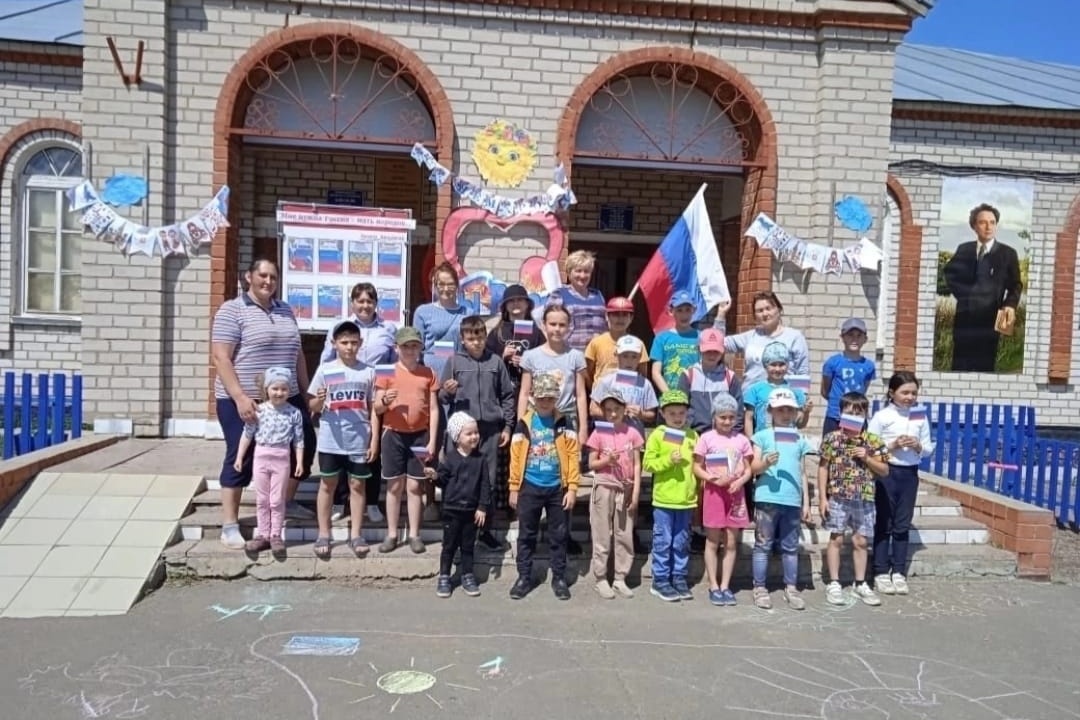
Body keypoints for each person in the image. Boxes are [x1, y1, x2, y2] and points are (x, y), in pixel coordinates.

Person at [211, 257, 316, 550]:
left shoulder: (285, 310)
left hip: (287, 397)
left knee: (305, 445)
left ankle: (284, 501)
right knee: (241, 454)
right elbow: (221, 357)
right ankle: (230, 524)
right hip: (245, 399)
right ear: (249, 277)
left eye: (273, 277)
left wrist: (305, 392)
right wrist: (240, 397)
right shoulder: (232, 310)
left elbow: (297, 354)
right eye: (263, 275)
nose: (268, 281)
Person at [321, 282, 397, 524]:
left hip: (375, 393)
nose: (365, 305)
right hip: (345, 393)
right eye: (360, 301)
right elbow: (326, 361)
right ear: (352, 303)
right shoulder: (340, 327)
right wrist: (324, 393)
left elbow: (393, 363)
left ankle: (372, 502)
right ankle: (339, 501)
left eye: (369, 301)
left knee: (371, 449)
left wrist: (389, 392)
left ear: (376, 304)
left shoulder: (388, 329)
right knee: (343, 448)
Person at [439, 315, 516, 550]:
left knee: (487, 480)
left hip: (490, 430)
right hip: (463, 431)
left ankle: (484, 530)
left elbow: (507, 396)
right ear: (462, 339)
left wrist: (507, 426)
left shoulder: (496, 362)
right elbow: (442, 397)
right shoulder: (454, 362)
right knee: (459, 479)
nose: (476, 342)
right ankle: (454, 527)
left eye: (480, 337)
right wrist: (448, 391)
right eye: (471, 338)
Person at [518, 304, 588, 556]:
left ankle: (563, 533)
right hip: (537, 422)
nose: (557, 329)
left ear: (569, 327)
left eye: (562, 324)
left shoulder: (575, 357)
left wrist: (583, 429)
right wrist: (521, 427)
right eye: (552, 324)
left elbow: (581, 395)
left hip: (566, 422)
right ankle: (531, 531)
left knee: (566, 476)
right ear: (544, 326)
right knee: (537, 471)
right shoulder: (532, 356)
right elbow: (524, 392)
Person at [307, 320, 380, 560]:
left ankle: (356, 534)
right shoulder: (325, 369)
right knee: (327, 485)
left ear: (361, 343)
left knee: (357, 486)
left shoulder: (368, 371)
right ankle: (324, 534)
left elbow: (373, 408)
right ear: (334, 343)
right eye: (344, 342)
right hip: (330, 439)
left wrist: (374, 440)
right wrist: (319, 400)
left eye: (353, 342)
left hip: (359, 439)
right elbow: (313, 406)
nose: (349, 347)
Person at [508, 372, 581, 601]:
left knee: (559, 535)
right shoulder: (524, 423)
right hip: (530, 485)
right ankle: (524, 576)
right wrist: (514, 487)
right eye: (541, 398)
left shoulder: (565, 422)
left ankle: (559, 577)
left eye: (550, 398)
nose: (546, 402)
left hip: (557, 487)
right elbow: (515, 456)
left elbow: (572, 455)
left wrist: (572, 488)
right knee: (526, 534)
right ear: (533, 397)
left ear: (556, 398)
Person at [817, 392, 889, 606]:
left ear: (865, 415)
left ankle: (860, 583)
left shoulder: (873, 440)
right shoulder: (832, 438)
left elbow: (884, 470)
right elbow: (823, 468)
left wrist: (867, 457)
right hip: (838, 496)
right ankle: (834, 582)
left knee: (861, 541)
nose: (854, 418)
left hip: (864, 497)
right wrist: (823, 497)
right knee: (836, 539)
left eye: (859, 414)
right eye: (849, 413)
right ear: (841, 414)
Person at [373, 327, 439, 555]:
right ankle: (392, 534)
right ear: (396, 348)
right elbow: (377, 408)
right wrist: (385, 401)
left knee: (415, 486)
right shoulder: (386, 372)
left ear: (420, 348)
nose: (410, 350)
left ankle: (414, 534)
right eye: (405, 346)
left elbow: (434, 408)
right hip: (392, 434)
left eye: (414, 346)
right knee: (394, 486)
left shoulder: (428, 373)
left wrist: (432, 440)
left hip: (419, 435)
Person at [868, 371, 934, 596]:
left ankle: (898, 571)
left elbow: (928, 449)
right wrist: (893, 445)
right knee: (884, 522)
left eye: (913, 393)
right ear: (891, 393)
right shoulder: (882, 416)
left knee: (902, 524)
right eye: (905, 392)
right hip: (886, 473)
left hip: (909, 474)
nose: (909, 397)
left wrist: (917, 446)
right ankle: (880, 571)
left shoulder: (919, 416)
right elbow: (871, 448)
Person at [749, 388, 813, 611]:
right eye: (780, 410)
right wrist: (765, 463)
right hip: (767, 498)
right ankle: (759, 587)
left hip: (792, 500)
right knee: (763, 545)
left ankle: (791, 588)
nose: (785, 414)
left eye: (790, 410)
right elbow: (753, 468)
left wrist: (806, 503)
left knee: (790, 547)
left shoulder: (799, 438)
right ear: (770, 411)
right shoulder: (762, 436)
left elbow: (802, 472)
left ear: (796, 412)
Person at [414, 262, 469, 521]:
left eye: (450, 283)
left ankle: (451, 499)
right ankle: (428, 500)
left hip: (456, 383)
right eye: (441, 284)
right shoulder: (423, 311)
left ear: (457, 286)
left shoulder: (466, 311)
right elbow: (416, 347)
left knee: (455, 441)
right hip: (430, 381)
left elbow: (468, 347)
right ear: (434, 286)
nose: (446, 288)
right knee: (431, 442)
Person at [486, 284, 546, 516]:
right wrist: (502, 357)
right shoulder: (497, 332)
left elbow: (544, 360)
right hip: (502, 396)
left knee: (525, 447)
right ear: (505, 306)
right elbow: (487, 362)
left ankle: (525, 501)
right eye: (511, 301)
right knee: (504, 448)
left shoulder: (536, 332)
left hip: (528, 396)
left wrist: (528, 363)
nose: (516, 304)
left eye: (520, 300)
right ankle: (502, 503)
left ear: (528, 305)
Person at [234, 367, 305, 558]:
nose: (279, 393)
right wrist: (240, 457)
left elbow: (299, 439)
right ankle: (263, 535)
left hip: (281, 457)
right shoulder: (259, 411)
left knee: (277, 500)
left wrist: (299, 461)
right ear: (267, 389)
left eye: (284, 389)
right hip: (261, 456)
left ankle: (275, 535)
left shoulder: (294, 413)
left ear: (289, 390)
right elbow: (247, 434)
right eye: (275, 388)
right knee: (262, 499)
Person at [942, 203, 1023, 372]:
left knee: (984, 369)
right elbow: (949, 273)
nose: (988, 227)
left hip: (989, 322)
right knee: (959, 369)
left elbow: (1016, 285)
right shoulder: (964, 249)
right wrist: (964, 295)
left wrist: (1010, 305)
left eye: (992, 222)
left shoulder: (1008, 254)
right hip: (964, 322)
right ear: (974, 226)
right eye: (982, 222)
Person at [692, 392, 753, 606]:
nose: (727, 421)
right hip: (714, 493)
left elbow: (748, 469)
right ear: (714, 417)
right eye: (722, 417)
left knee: (731, 541)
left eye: (731, 417)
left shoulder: (742, 440)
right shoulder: (706, 438)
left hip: (736, 494)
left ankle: (726, 585)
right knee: (712, 540)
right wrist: (711, 478)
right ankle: (713, 585)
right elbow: (696, 467)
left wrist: (740, 481)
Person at [585, 388, 644, 599]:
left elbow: (637, 465)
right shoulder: (598, 433)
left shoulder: (633, 433)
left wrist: (635, 493)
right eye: (608, 409)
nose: (612, 414)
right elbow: (591, 463)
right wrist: (606, 461)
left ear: (624, 409)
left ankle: (620, 578)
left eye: (616, 409)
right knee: (601, 533)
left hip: (625, 488)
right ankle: (600, 578)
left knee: (624, 534)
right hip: (604, 486)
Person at [643, 389, 700, 603]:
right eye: (672, 413)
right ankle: (660, 580)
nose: (677, 418)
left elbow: (698, 465)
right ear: (663, 413)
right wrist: (668, 460)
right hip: (664, 499)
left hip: (686, 499)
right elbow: (648, 464)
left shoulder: (693, 436)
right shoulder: (658, 434)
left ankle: (679, 577)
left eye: (681, 413)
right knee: (663, 540)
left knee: (681, 541)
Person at [430, 412, 490, 598]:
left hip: (471, 512)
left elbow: (485, 485)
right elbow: (442, 481)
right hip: (451, 510)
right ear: (457, 438)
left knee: (468, 546)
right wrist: (435, 476)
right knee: (449, 546)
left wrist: (482, 507)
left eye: (476, 432)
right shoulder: (449, 459)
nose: (474, 437)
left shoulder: (481, 459)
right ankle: (444, 576)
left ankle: (467, 575)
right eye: (469, 433)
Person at [723, 291, 810, 387]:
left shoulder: (795, 337)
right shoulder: (750, 337)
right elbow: (718, 343)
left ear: (778, 310)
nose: (765, 314)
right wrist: (720, 315)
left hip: (782, 394)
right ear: (755, 316)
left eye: (768, 308)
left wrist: (801, 394)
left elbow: (803, 373)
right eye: (760, 311)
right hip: (750, 394)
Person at [589, 335, 658, 437]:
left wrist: (641, 414)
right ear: (616, 355)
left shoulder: (644, 383)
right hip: (609, 436)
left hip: (634, 438)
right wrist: (615, 413)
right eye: (625, 356)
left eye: (634, 357)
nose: (629, 361)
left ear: (640, 358)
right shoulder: (606, 381)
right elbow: (593, 409)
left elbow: (651, 414)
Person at [680, 328, 742, 435]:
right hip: (695, 434)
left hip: (724, 434)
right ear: (699, 349)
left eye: (716, 351)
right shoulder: (689, 375)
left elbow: (739, 410)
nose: (712, 355)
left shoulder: (730, 377)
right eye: (707, 351)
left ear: (722, 351)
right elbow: (680, 407)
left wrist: (735, 433)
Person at [820, 318, 877, 435]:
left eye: (859, 335)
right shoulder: (833, 362)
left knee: (855, 445)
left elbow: (863, 389)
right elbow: (825, 391)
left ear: (865, 339)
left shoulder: (868, 365)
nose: (854, 339)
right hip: (835, 415)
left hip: (857, 415)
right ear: (842, 337)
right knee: (832, 444)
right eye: (850, 335)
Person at [743, 342, 812, 435]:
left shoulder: (795, 389)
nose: (777, 369)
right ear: (765, 365)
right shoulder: (755, 389)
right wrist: (750, 441)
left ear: (787, 365)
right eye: (773, 365)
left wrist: (806, 413)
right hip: (763, 440)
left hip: (787, 438)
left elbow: (800, 424)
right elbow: (749, 418)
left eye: (781, 364)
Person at [544, 249, 607, 353]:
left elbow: (606, 325)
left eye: (586, 271)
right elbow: (546, 326)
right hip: (568, 354)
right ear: (569, 273)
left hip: (596, 355)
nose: (582, 275)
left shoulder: (598, 295)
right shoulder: (559, 295)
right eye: (578, 271)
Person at [584, 296, 648, 387]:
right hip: (601, 393)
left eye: (625, 315)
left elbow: (642, 376)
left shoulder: (638, 344)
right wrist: (596, 388)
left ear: (631, 318)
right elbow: (587, 373)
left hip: (628, 393)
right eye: (616, 314)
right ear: (607, 316)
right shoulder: (596, 342)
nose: (620, 319)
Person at [649, 291, 701, 394]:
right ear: (671, 311)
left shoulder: (701, 337)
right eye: (679, 310)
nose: (684, 315)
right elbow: (656, 372)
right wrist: (670, 396)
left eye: (688, 310)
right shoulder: (661, 338)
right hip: (669, 397)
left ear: (694, 310)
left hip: (695, 397)